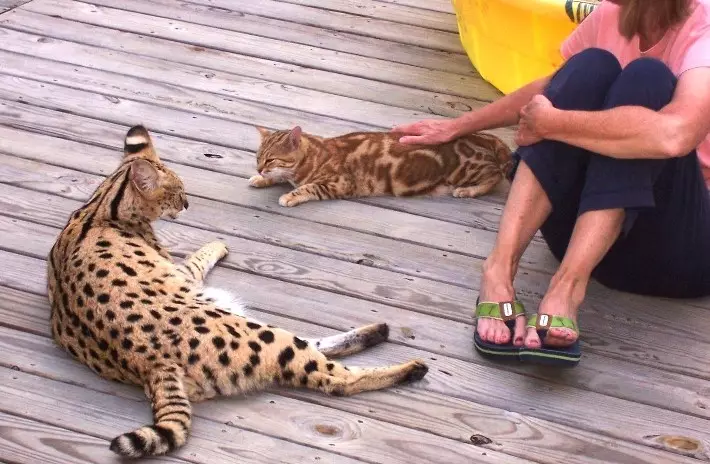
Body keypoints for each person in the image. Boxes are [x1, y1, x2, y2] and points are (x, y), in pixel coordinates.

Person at [393, 0, 710, 366]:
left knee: (648, 77)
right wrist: (460, 125)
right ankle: (498, 271)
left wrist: (555, 124)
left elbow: (675, 135)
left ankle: (566, 291)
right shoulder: (612, 15)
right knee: (590, 66)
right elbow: (553, 90)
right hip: (587, 242)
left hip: (675, 254)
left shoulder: (702, 29)